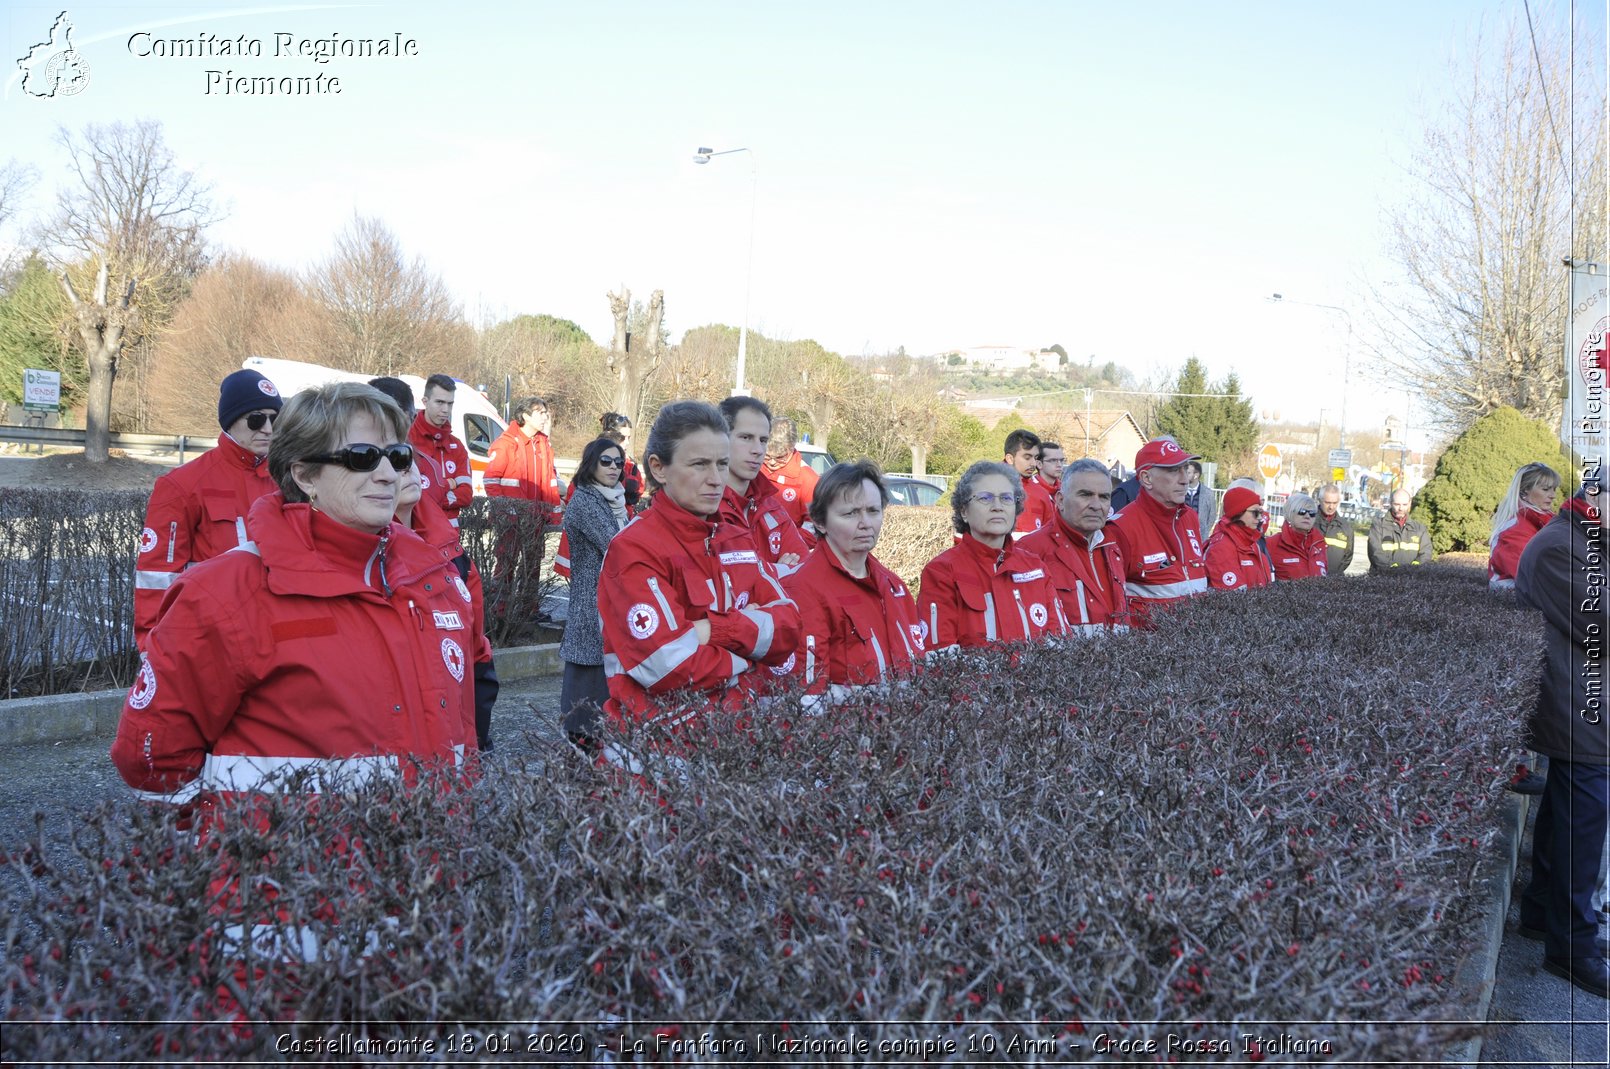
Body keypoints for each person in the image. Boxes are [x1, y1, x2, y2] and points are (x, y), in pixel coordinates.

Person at [111, 380, 474, 805]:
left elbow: (462, 736)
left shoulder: (437, 580)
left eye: (397, 456)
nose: (386, 473)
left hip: (431, 865)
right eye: (361, 457)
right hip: (289, 866)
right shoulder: (224, 594)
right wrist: (233, 844)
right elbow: (151, 758)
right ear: (304, 475)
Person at [597, 400, 801, 737]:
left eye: (722, 464)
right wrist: (750, 656)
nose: (716, 479)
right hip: (660, 750)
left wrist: (714, 631)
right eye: (699, 464)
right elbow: (666, 664)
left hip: (736, 738)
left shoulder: (735, 537)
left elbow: (789, 626)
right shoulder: (633, 548)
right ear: (659, 469)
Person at [1514, 480, 1610, 996]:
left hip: (1582, 701)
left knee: (1565, 811)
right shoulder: (1560, 545)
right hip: (1577, 705)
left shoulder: (1581, 540)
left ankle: (1540, 913)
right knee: (1585, 824)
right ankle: (1573, 947)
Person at [372, 376, 500, 751]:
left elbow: (463, 494)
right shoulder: (369, 552)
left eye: (405, 460)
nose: (402, 469)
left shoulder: (451, 551)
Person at [134, 368, 284, 648]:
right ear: (230, 422)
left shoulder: (288, 479)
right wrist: (152, 648)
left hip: (276, 632)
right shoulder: (182, 484)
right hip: (213, 636)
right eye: (256, 419)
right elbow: (157, 577)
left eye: (275, 419)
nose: (268, 428)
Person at [782, 460, 924, 701]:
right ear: (819, 521)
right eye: (850, 513)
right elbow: (807, 699)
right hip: (845, 735)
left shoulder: (895, 586)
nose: (865, 523)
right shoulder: (803, 589)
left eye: (873, 511)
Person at [918, 460, 1066, 652]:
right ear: (964, 511)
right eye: (985, 498)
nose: (998, 506)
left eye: (1006, 498)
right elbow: (940, 659)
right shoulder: (942, 572)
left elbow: (1060, 647)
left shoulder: (1035, 568)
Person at [559, 437, 634, 749]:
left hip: (609, 601)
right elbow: (617, 546)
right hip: (589, 607)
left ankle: (598, 742)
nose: (614, 467)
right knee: (585, 678)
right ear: (591, 463)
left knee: (602, 680)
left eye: (619, 462)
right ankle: (581, 746)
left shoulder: (613, 500)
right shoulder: (586, 502)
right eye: (606, 461)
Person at [1017, 458, 1130, 634]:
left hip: (1118, 659)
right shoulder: (1030, 551)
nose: (1096, 505)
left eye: (1104, 497)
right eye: (1085, 495)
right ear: (1060, 500)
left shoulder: (1113, 545)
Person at [1109, 438, 1208, 626]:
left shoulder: (1190, 518)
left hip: (1196, 645)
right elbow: (1114, 605)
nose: (1184, 479)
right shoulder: (1121, 528)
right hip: (1149, 651)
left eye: (1185, 468)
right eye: (1173, 470)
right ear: (1146, 479)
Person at [717, 396, 811, 574]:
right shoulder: (703, 507)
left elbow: (805, 572)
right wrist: (777, 571)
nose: (758, 450)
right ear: (721, 439)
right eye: (746, 437)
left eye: (763, 440)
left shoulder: (772, 508)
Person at [555, 412, 641, 581]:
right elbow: (613, 545)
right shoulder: (587, 498)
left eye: (618, 463)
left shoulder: (629, 464)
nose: (614, 466)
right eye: (623, 438)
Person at [407, 373, 474, 528]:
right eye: (440, 402)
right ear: (425, 401)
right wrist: (450, 484)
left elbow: (466, 495)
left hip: (449, 538)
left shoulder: (456, 446)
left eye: (450, 404)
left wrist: (433, 496)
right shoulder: (408, 439)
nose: (446, 409)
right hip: (416, 534)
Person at [484, 395, 563, 513]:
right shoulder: (506, 444)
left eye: (545, 413)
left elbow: (551, 482)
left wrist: (553, 516)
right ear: (526, 416)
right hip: (511, 522)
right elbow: (490, 481)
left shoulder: (544, 445)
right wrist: (505, 512)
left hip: (539, 520)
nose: (545, 418)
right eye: (540, 413)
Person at [1490, 462, 1561, 591]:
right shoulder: (1514, 529)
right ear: (1524, 491)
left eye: (1553, 489)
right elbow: (1526, 575)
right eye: (1545, 489)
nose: (1553, 495)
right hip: (1517, 594)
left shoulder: (1544, 522)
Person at [1204, 486, 1274, 591]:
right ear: (1238, 512)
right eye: (1255, 513)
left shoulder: (1250, 542)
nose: (1260, 518)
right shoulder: (1222, 548)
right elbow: (1233, 600)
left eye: (1261, 512)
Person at [762, 416, 821, 535]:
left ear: (792, 448)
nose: (772, 462)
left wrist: (789, 544)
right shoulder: (754, 467)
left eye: (780, 457)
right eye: (767, 456)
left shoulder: (808, 479)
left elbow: (813, 527)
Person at [1367, 490, 1432, 572]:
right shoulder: (1378, 526)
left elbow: (1426, 553)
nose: (1401, 508)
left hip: (1413, 578)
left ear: (1409, 503)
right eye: (1397, 504)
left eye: (1404, 504)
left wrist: (1413, 569)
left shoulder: (1419, 528)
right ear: (1391, 503)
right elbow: (1375, 553)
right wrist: (1394, 569)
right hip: (1383, 578)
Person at [1003, 429, 1055, 533]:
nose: (1033, 464)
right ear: (1010, 458)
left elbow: (1050, 534)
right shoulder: (985, 487)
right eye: (1027, 457)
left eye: (1035, 458)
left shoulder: (1042, 494)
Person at [1267, 491, 1328, 580]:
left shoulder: (1319, 544)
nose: (1307, 516)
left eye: (1312, 513)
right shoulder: (1271, 544)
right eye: (1302, 511)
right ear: (1290, 514)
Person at [1315, 483, 1354, 577]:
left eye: (1335, 503)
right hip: (1311, 578)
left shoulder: (1345, 527)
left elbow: (1348, 556)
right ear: (1320, 500)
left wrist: (1335, 573)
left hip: (1335, 579)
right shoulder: (1309, 522)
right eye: (1327, 502)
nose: (1331, 507)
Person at [1185, 459, 1218, 538]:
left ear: (1196, 475)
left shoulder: (1208, 493)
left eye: (1188, 473)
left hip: (1201, 537)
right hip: (1182, 535)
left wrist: (1204, 530)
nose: (1185, 475)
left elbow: (1212, 516)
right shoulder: (1179, 491)